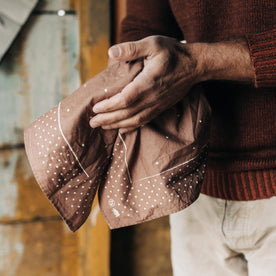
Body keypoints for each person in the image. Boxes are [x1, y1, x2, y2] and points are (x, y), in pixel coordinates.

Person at [90, 1, 276, 275]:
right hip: (193, 184)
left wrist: (200, 62)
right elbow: (144, 23)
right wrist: (131, 68)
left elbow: (195, 61)